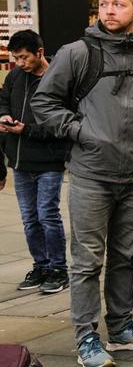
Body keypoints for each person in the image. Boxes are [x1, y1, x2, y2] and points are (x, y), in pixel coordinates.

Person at [33, 0, 133, 367]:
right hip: (92, 174)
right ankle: (86, 336)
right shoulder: (76, 54)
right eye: (104, 4)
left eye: (118, 4)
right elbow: (44, 102)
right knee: (87, 261)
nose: (109, 11)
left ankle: (122, 326)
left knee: (125, 256)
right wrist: (80, 131)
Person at [0, 30, 69, 294]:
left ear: (39, 52)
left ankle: (58, 269)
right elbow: (3, 101)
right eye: (15, 58)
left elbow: (61, 125)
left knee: (48, 216)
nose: (20, 63)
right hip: (20, 161)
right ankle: (40, 266)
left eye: (24, 57)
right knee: (30, 219)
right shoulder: (16, 76)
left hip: (48, 162)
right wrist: (5, 116)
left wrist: (26, 130)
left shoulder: (58, 80)